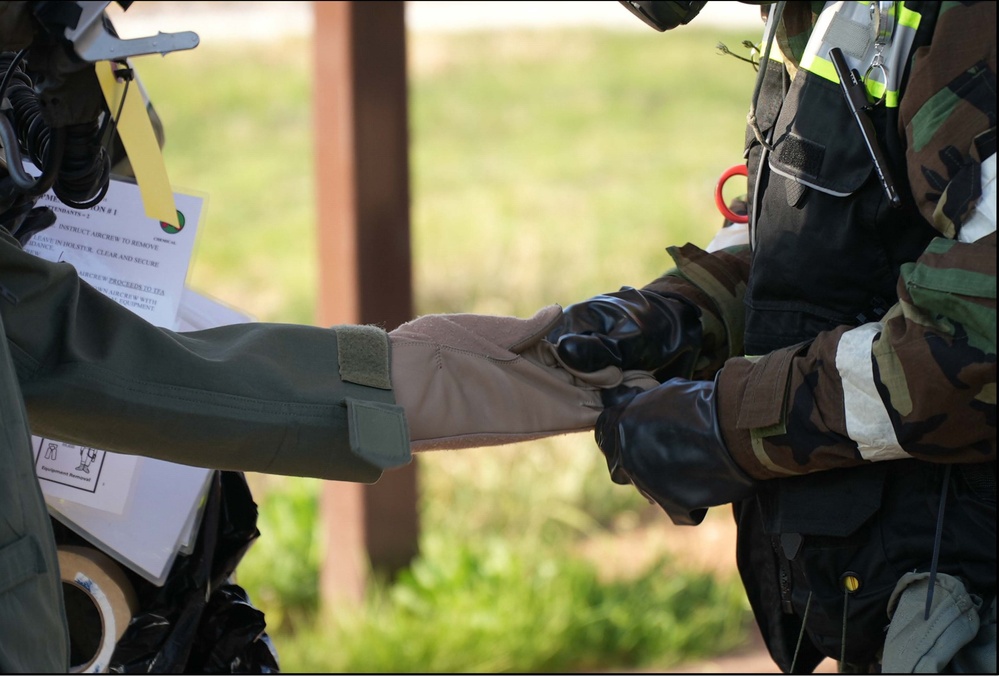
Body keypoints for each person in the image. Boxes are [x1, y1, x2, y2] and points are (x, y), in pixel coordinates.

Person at [548, 1, 996, 672]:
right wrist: (681, 316)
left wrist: (730, 424)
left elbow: (975, 340)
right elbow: (843, 236)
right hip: (899, 588)